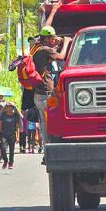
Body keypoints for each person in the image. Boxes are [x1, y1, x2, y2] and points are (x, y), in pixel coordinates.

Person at [30, 26, 71, 156]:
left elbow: (50, 54)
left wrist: (56, 45)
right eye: (52, 38)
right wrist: (66, 42)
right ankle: (51, 151)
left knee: (44, 123)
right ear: (47, 38)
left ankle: (46, 150)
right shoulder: (46, 49)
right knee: (51, 122)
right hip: (46, 92)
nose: (54, 40)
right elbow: (61, 57)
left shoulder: (36, 48)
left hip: (38, 94)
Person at [0, 103, 22, 169]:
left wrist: (17, 137)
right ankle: (5, 160)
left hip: (12, 135)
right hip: (3, 134)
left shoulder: (15, 115)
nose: (9, 108)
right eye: (7, 107)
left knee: (11, 150)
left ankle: (11, 163)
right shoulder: (3, 115)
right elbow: (0, 126)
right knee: (3, 148)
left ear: (13, 108)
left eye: (10, 107)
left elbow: (17, 127)